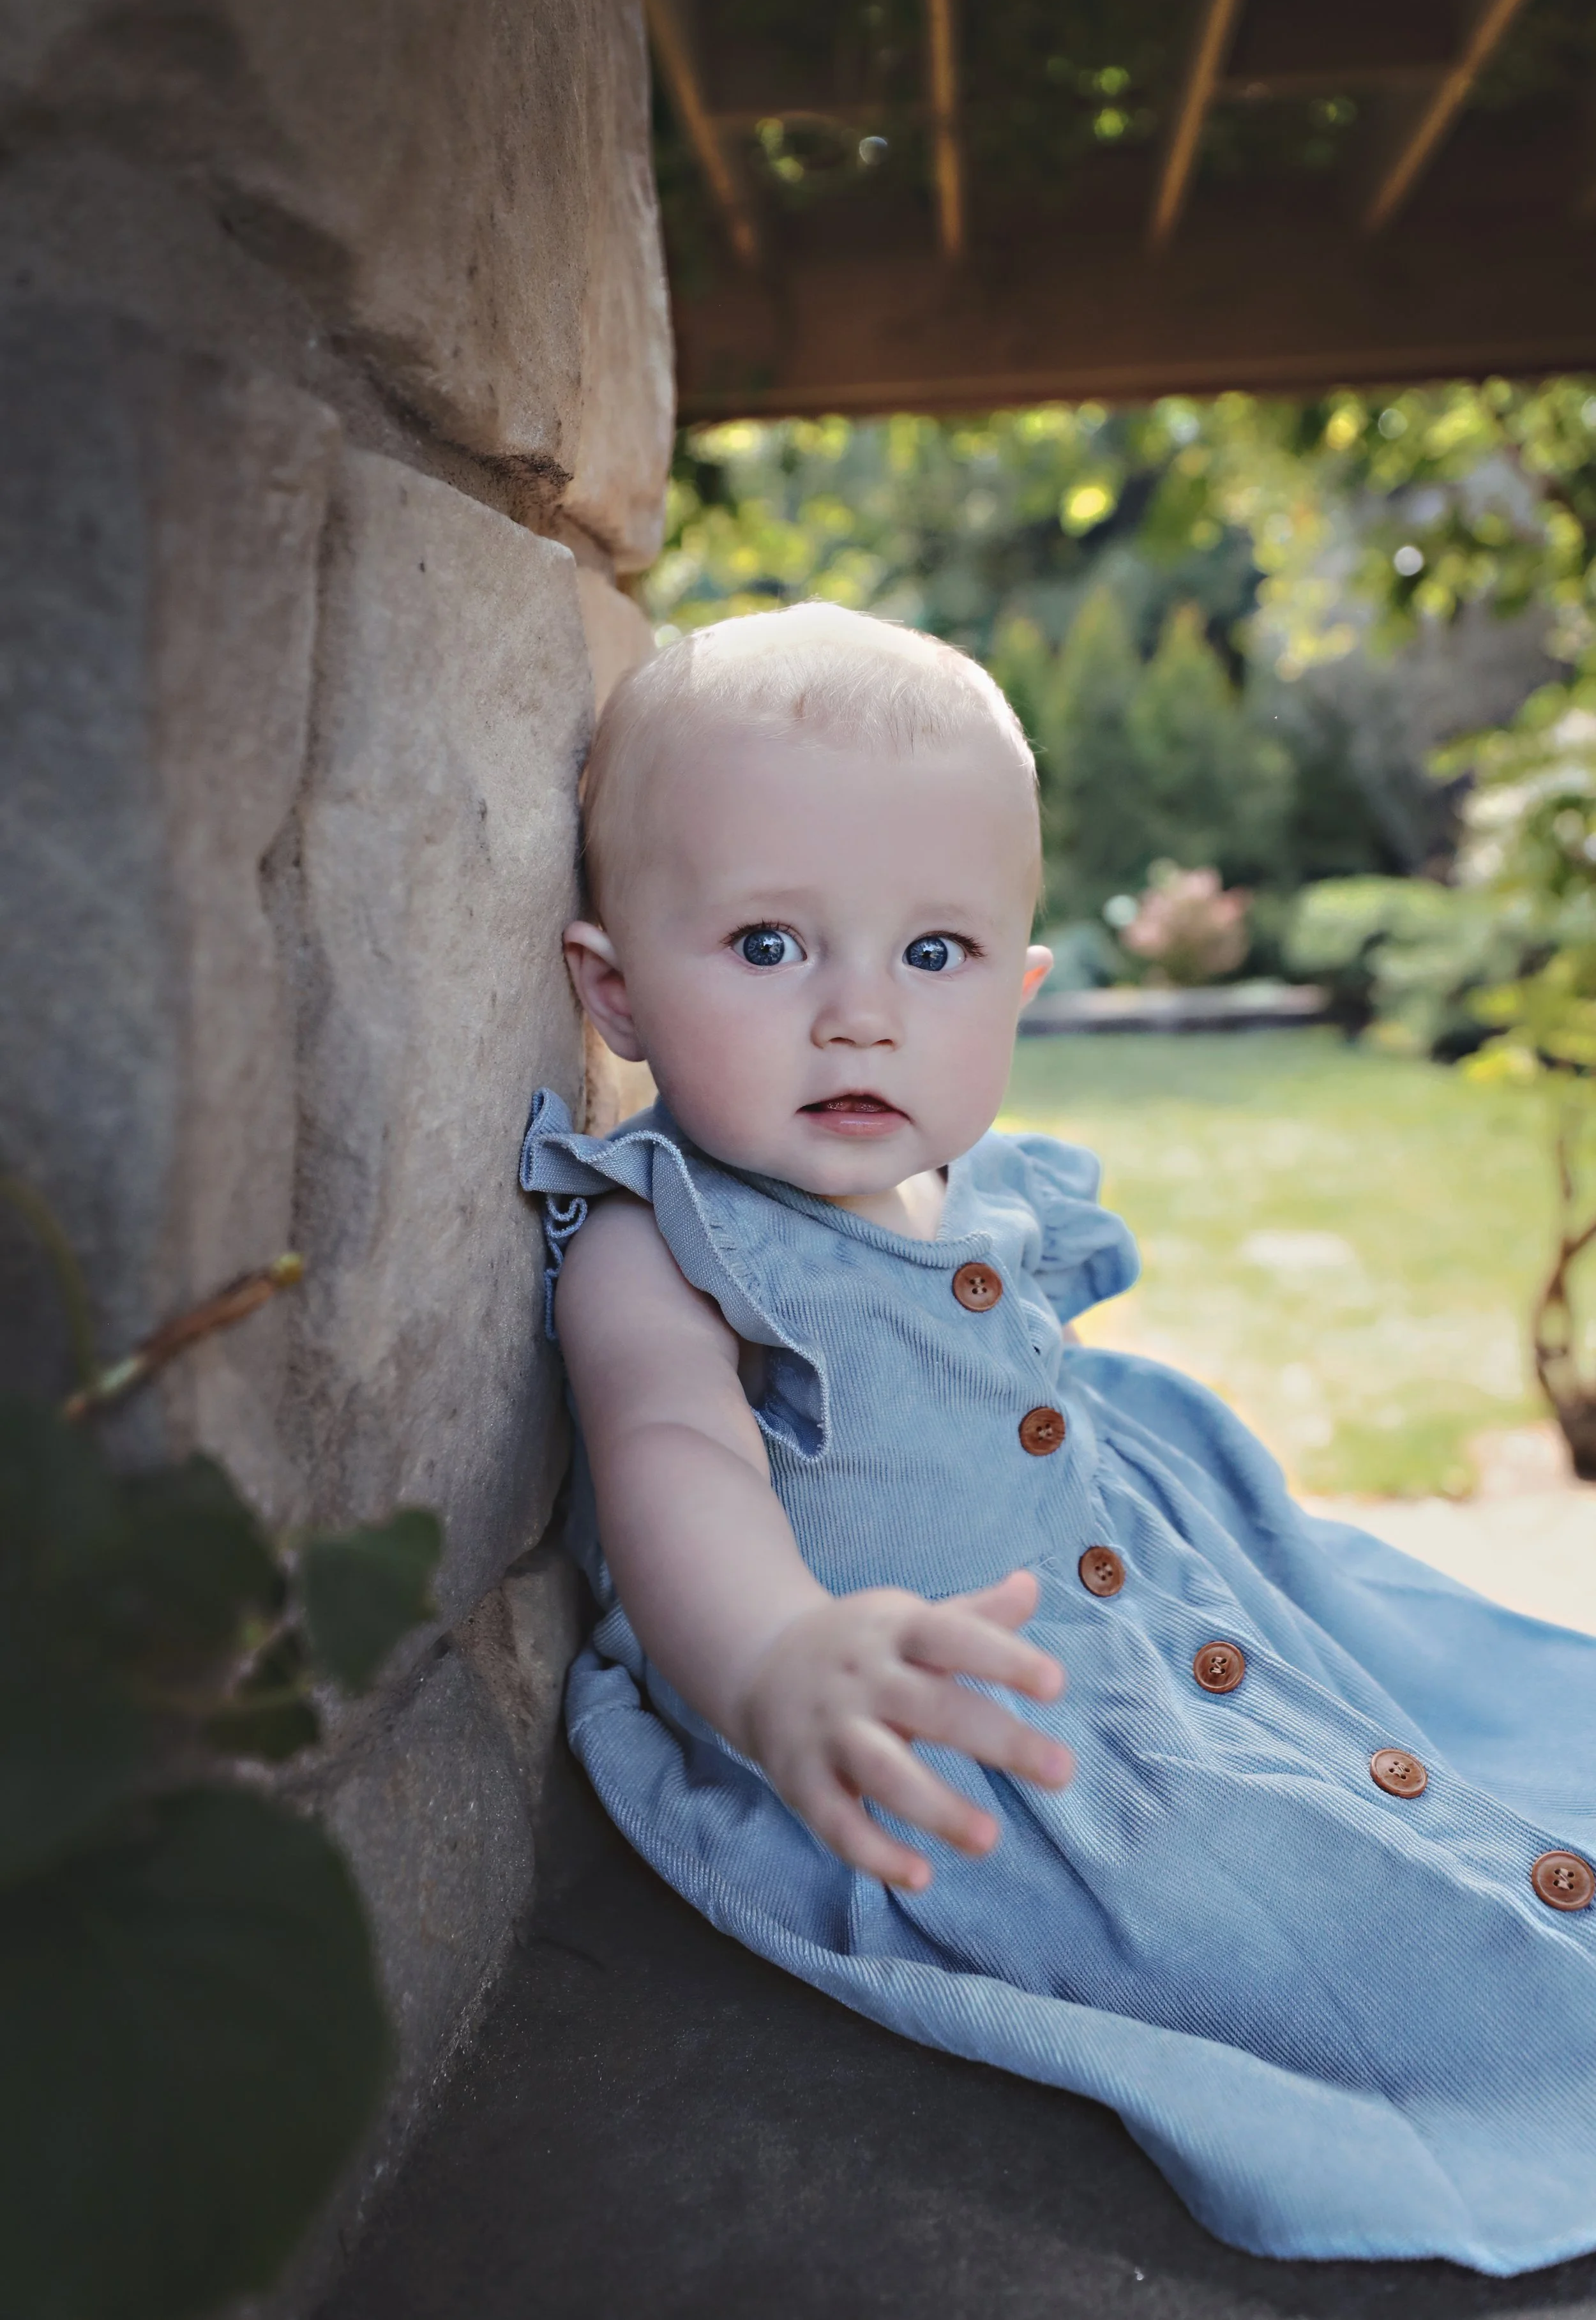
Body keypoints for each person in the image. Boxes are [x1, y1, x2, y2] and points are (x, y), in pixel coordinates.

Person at [520, 603, 1596, 2275]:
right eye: (766, 945)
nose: (860, 1014)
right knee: (1263, 1898)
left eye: (931, 956)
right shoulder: (652, 1243)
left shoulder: (959, 1173)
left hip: (1131, 1557)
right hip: (939, 1704)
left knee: (1419, 1706)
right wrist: (773, 1654)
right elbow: (675, 1457)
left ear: (1017, 984)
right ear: (615, 990)